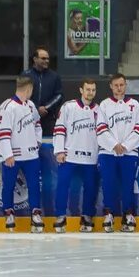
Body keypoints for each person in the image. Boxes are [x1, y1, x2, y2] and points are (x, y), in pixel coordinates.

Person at [0, 74, 44, 233]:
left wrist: (37, 141)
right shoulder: (7, 107)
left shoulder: (31, 105)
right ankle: (9, 213)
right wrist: (7, 154)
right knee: (8, 185)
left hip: (31, 156)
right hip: (14, 156)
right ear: (28, 89)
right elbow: (2, 133)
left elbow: (37, 125)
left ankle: (35, 213)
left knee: (34, 185)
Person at [96, 72, 139, 232]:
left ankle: (128, 214)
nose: (119, 88)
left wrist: (126, 145)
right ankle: (109, 213)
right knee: (108, 184)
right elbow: (101, 128)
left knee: (128, 185)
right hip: (108, 153)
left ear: (126, 85)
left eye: (121, 85)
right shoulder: (103, 105)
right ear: (111, 86)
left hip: (129, 153)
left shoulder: (135, 105)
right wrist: (113, 144)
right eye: (116, 85)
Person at [52, 78, 101, 232]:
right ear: (81, 90)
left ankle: (87, 216)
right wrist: (59, 150)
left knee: (90, 188)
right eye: (88, 89)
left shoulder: (100, 110)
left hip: (91, 157)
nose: (90, 93)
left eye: (93, 90)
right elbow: (59, 129)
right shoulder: (68, 107)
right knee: (63, 186)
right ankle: (60, 215)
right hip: (69, 156)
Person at [22, 46, 64, 136]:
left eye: (48, 59)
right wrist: (36, 109)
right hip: (29, 118)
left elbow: (59, 95)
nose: (47, 61)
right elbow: (22, 95)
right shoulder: (26, 75)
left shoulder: (54, 76)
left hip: (48, 118)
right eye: (43, 58)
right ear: (35, 59)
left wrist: (46, 108)